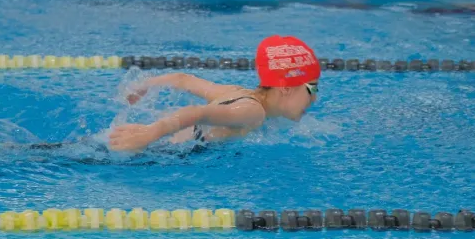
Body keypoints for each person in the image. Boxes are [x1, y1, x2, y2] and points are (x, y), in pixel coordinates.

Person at [107, 35, 321, 152]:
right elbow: (197, 112)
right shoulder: (252, 111)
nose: (315, 98)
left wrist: (144, 86)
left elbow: (182, 79)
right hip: (157, 151)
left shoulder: (237, 92)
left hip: (160, 142)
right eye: (311, 89)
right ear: (285, 87)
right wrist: (149, 134)